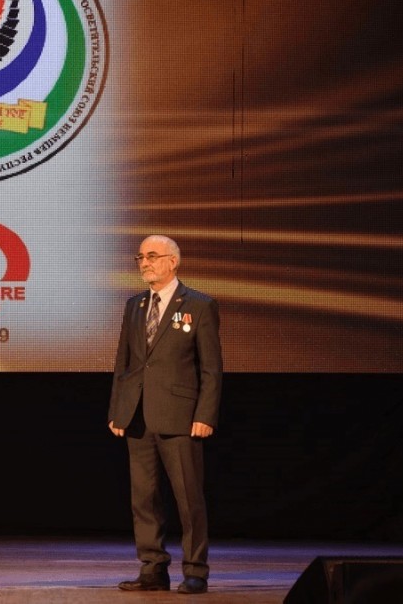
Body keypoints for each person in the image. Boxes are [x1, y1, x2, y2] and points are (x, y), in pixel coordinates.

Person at [108, 235, 223, 595]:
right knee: (143, 499)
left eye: (153, 256)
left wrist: (205, 414)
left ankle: (195, 570)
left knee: (188, 499)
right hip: (137, 417)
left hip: (180, 417)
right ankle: (153, 568)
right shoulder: (135, 305)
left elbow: (211, 369)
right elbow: (124, 363)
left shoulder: (200, 305)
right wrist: (118, 411)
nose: (145, 263)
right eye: (141, 257)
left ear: (173, 261)